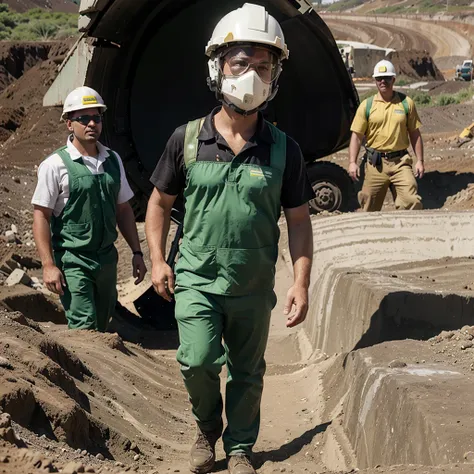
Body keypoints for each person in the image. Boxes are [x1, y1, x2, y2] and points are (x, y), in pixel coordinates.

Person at [145, 4, 314, 473]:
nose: (252, 76)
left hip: (252, 282)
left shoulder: (284, 149)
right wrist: (158, 260)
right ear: (218, 66)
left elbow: (299, 221)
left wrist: (300, 283)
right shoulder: (187, 139)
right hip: (196, 277)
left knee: (247, 371)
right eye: (241, 63)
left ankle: (239, 446)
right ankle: (206, 427)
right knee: (197, 361)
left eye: (264, 66)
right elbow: (158, 205)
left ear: (276, 74)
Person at [32, 86, 146, 332]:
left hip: (106, 259)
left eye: (96, 118)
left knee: (103, 326)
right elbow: (41, 216)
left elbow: (124, 209)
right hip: (73, 260)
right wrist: (48, 265)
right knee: (84, 327)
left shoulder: (113, 160)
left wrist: (137, 253)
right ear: (69, 124)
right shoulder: (54, 165)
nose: (91, 123)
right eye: (83, 118)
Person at [348, 59, 425, 212]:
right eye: (379, 78)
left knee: (411, 201)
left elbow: (415, 134)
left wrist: (420, 161)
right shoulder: (367, 105)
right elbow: (356, 137)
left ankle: (405, 233)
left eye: (387, 78)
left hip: (400, 162)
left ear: (394, 79)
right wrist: (352, 162)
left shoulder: (406, 103)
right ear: (375, 81)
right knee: (368, 205)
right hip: (375, 164)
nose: (383, 81)